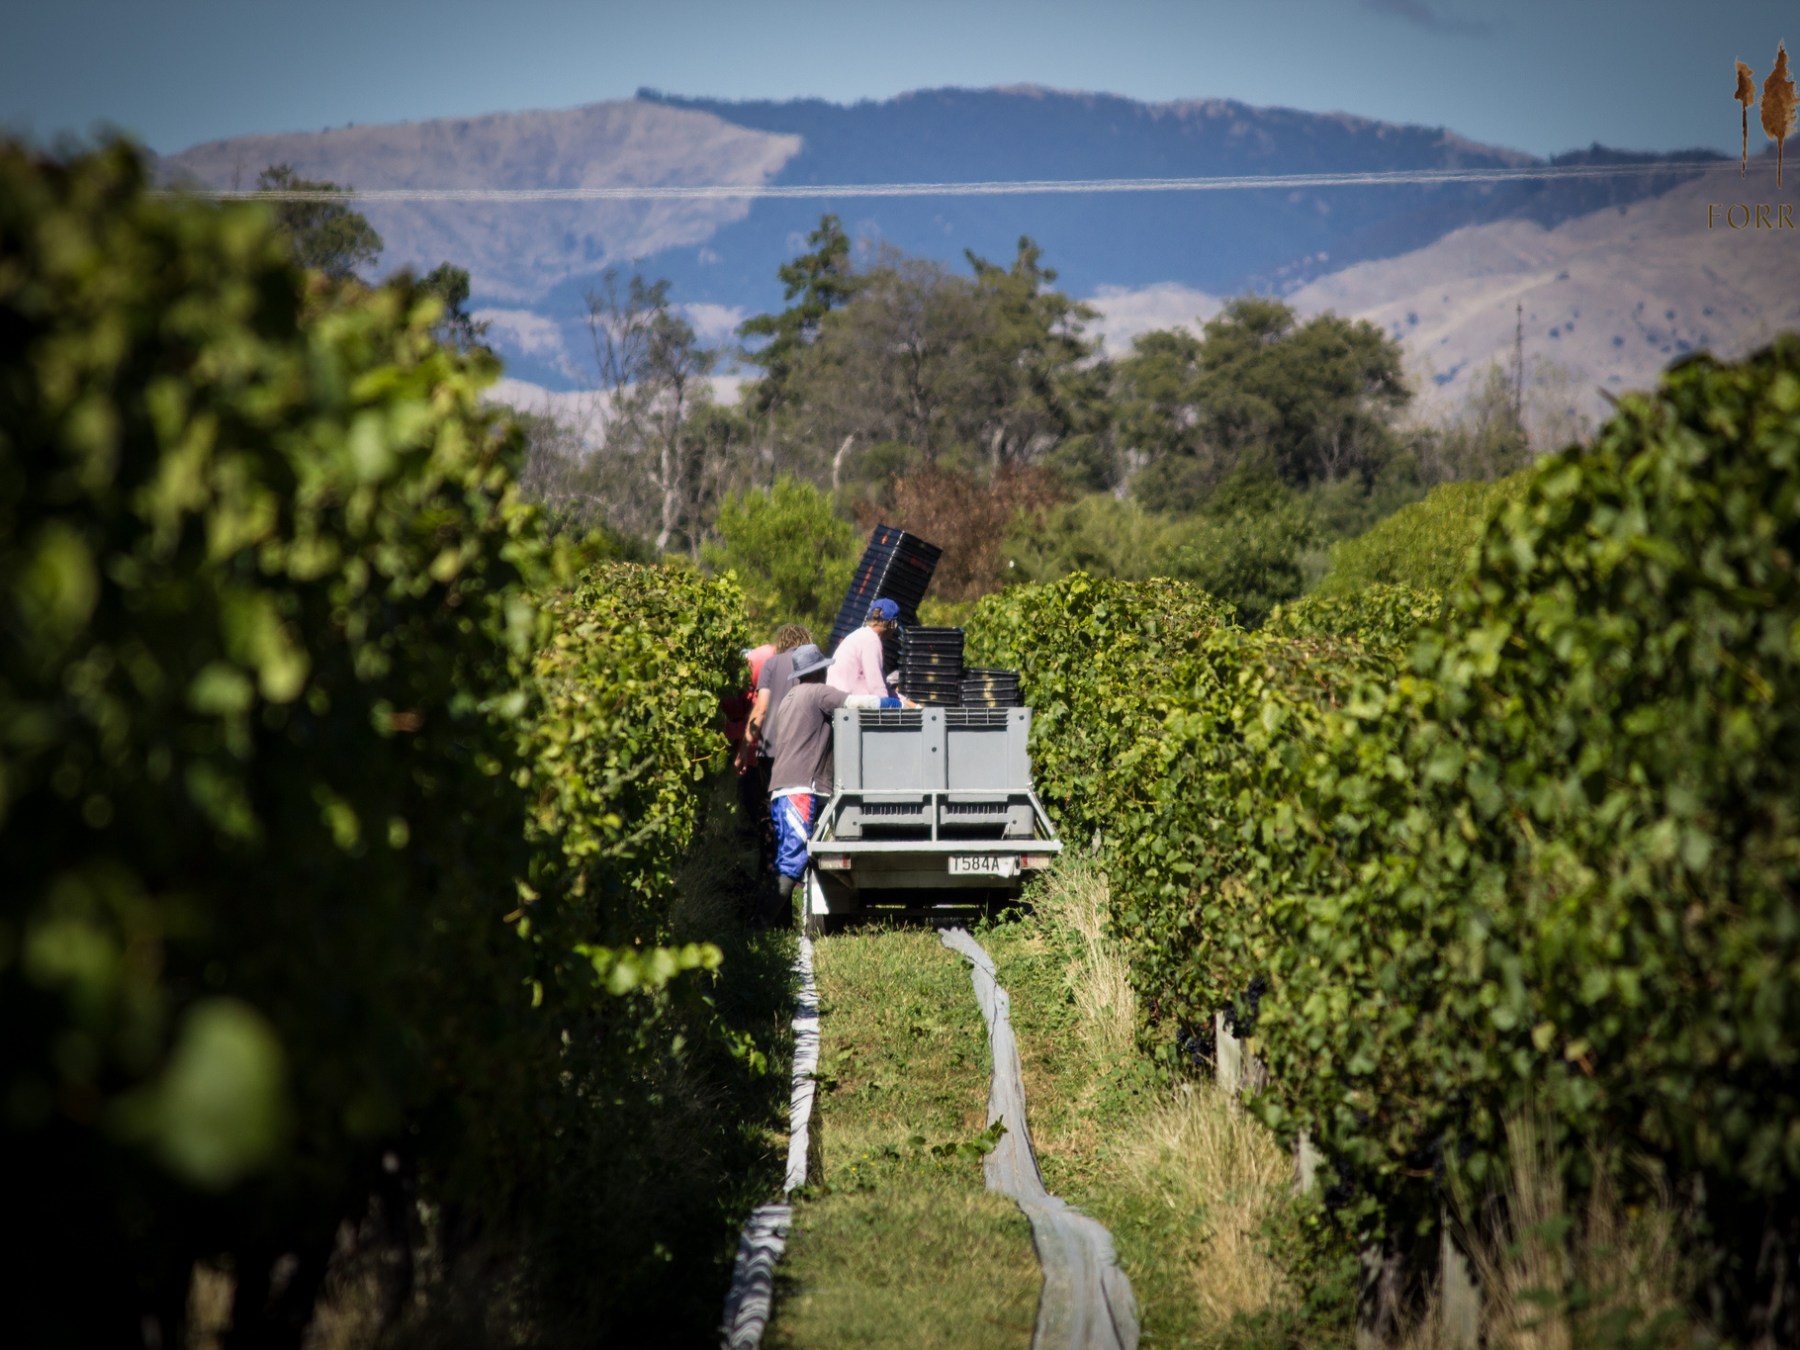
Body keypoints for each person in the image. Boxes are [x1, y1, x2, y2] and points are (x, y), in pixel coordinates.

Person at [766, 642, 915, 923]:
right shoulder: (817, 692)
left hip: (780, 788)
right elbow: (858, 703)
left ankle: (779, 925)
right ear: (820, 671)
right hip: (800, 787)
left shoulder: (790, 697)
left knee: (784, 856)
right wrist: (897, 704)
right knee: (793, 859)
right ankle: (759, 923)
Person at [827, 598, 899, 697]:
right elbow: (877, 689)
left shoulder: (860, 635)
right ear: (891, 624)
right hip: (846, 706)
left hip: (836, 699)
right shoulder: (871, 641)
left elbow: (883, 685)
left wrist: (913, 706)